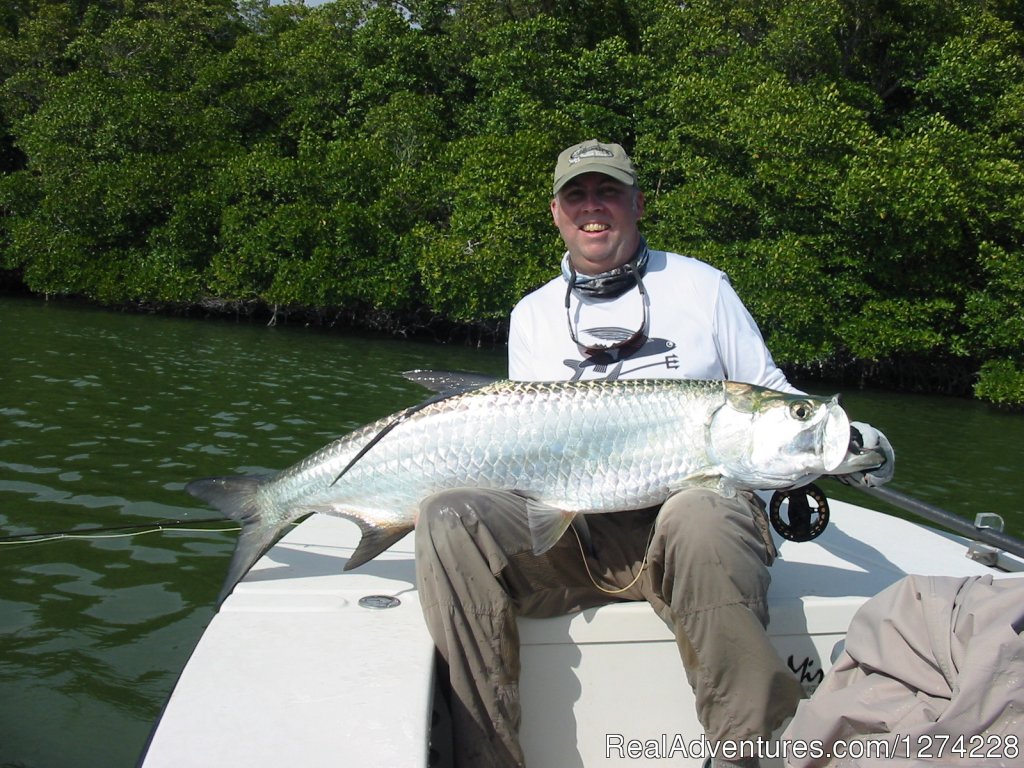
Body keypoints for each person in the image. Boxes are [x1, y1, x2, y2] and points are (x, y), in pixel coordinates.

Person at [414, 139, 894, 768]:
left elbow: (772, 394)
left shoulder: (701, 286)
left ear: (637, 203)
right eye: (577, 196)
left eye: (608, 192)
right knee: (448, 514)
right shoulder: (531, 314)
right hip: (579, 539)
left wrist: (851, 438)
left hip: (696, 536)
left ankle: (743, 755)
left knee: (699, 511)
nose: (594, 208)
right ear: (556, 212)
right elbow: (530, 451)